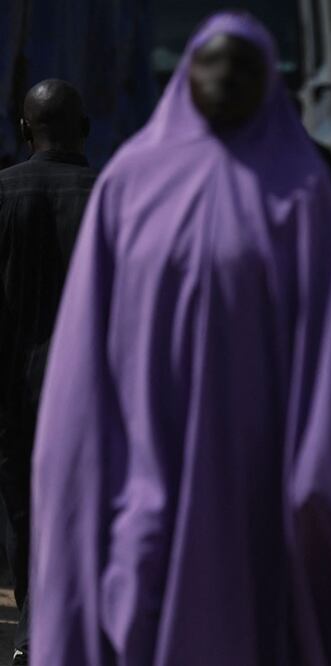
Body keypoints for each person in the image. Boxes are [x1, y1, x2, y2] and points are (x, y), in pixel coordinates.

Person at [30, 13, 331, 665]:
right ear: (185, 75)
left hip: (259, 475)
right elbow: (85, 346)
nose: (226, 76)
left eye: (245, 66)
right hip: (144, 469)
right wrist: (77, 466)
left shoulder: (302, 190)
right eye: (211, 62)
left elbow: (327, 351)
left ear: (271, 83)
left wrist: (312, 483)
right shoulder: (129, 183)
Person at [0, 78, 95, 666]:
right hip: (92, 389)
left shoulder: (1, 193)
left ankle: (35, 631)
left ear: (22, 129)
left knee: (23, 511)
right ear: (85, 128)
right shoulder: (116, 196)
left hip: (12, 388)